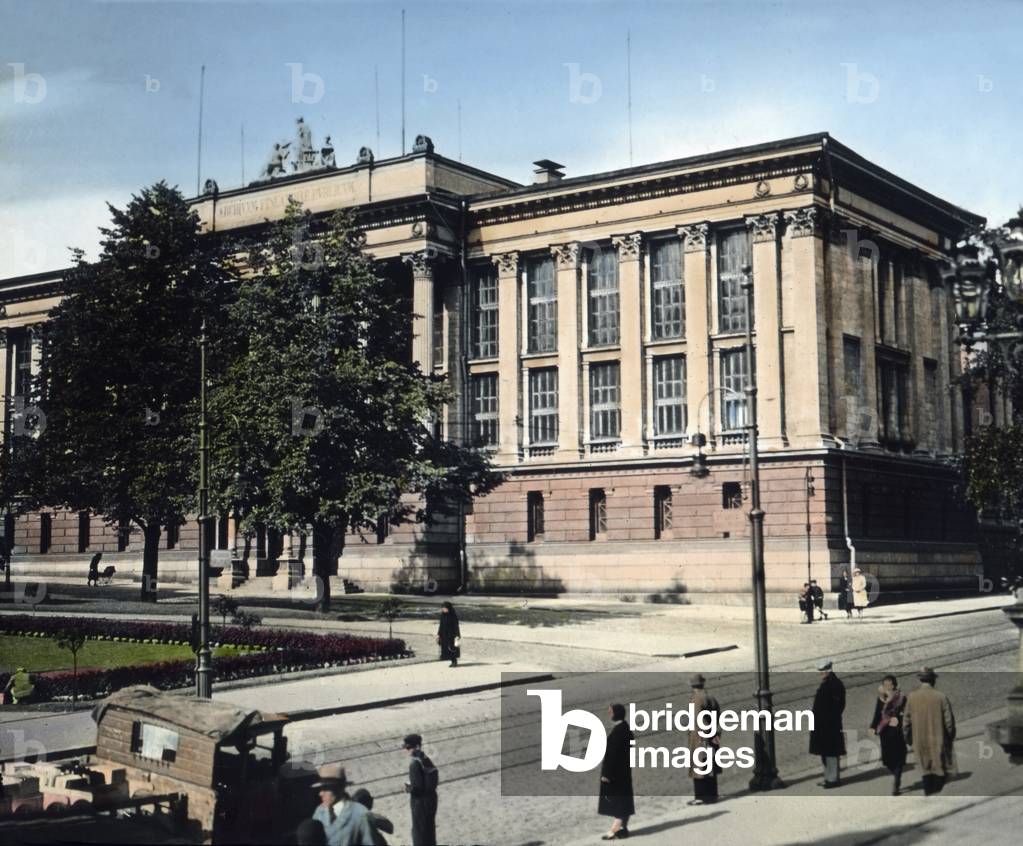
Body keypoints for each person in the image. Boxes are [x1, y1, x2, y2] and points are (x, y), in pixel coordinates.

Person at [904, 667, 957, 795]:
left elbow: (906, 723)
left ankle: (929, 794)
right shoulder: (941, 697)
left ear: (920, 679)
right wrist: (949, 738)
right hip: (938, 741)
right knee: (939, 772)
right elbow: (949, 722)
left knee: (925, 771)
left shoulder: (911, 697)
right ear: (933, 680)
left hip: (919, 742)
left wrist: (909, 739)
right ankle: (936, 795)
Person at [309, 763, 376, 846]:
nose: (320, 793)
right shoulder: (319, 812)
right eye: (320, 789)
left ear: (340, 789)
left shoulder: (359, 814)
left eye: (326, 789)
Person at [598, 703, 635, 840]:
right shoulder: (626, 728)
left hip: (615, 774)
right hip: (624, 771)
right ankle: (623, 829)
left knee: (617, 802)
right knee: (623, 800)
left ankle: (614, 830)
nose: (609, 714)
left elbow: (612, 755)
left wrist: (606, 774)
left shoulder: (618, 732)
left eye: (610, 712)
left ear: (615, 714)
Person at [809, 658, 846, 788]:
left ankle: (832, 780)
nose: (822, 673)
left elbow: (838, 706)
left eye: (824, 671)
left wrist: (828, 720)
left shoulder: (834, 685)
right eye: (821, 671)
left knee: (831, 753)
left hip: (829, 726)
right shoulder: (830, 683)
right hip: (824, 725)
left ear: (829, 670)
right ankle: (829, 778)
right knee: (826, 752)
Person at [868, 674, 908, 795]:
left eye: (889, 685)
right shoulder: (881, 699)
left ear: (894, 686)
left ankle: (897, 779)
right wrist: (872, 726)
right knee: (887, 759)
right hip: (884, 731)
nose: (886, 688)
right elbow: (877, 714)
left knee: (899, 756)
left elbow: (907, 714)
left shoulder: (901, 698)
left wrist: (899, 721)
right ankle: (896, 772)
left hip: (897, 730)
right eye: (884, 685)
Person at [687, 674, 721, 805]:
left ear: (692, 686)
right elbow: (718, 714)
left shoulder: (696, 699)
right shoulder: (710, 697)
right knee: (710, 767)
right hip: (711, 735)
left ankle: (701, 797)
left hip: (700, 737)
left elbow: (698, 719)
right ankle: (712, 795)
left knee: (699, 767)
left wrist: (705, 734)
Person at [403, 733, 438, 846]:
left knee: (419, 833)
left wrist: (408, 788)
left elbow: (417, 788)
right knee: (429, 831)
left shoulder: (414, 764)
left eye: (408, 747)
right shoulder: (425, 758)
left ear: (417, 747)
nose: (406, 750)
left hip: (420, 804)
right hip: (431, 801)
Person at [436, 602, 461, 667]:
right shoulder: (442, 615)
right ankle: (448, 658)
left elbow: (456, 626)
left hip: (451, 635)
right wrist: (438, 634)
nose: (443, 610)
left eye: (444, 608)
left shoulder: (453, 616)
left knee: (452, 648)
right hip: (444, 634)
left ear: (448, 608)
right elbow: (441, 625)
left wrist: (457, 635)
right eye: (443, 608)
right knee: (445, 647)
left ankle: (454, 661)